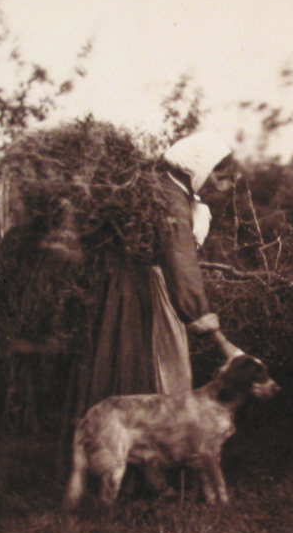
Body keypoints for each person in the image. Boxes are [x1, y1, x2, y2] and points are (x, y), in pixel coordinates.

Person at [72, 131, 243, 420]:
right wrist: (218, 337)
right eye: (220, 176)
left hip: (119, 286)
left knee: (111, 365)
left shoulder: (167, 187)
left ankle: (109, 450)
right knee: (144, 369)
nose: (225, 186)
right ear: (200, 170)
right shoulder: (172, 198)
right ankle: (144, 455)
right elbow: (181, 263)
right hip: (136, 291)